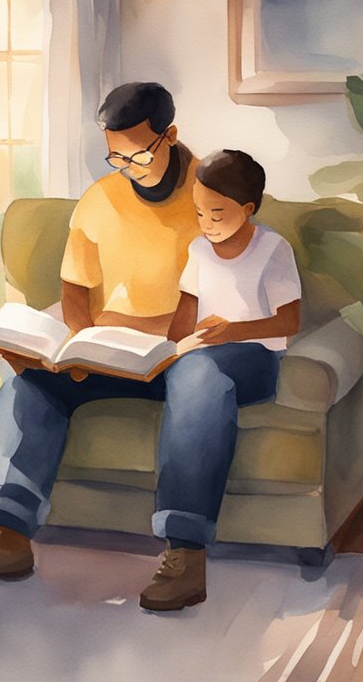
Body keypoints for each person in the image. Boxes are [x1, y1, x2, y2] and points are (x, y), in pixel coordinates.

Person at [0, 82, 296, 611]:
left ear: (170, 137)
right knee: (28, 379)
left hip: (198, 349)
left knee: (199, 375)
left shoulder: (212, 192)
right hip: (122, 353)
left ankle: (184, 551)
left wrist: (156, 330)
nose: (126, 166)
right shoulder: (100, 200)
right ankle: (8, 535)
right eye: (114, 154)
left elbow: (233, 298)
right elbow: (75, 291)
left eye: (137, 152)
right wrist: (79, 343)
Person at [142, 148, 301, 610]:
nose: (206, 223)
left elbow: (288, 322)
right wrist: (156, 350)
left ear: (247, 210)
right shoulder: (197, 250)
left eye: (217, 213)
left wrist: (232, 332)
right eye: (198, 212)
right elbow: (183, 319)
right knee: (183, 366)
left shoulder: (272, 249)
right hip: (202, 353)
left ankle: (185, 549)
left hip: (253, 358)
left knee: (197, 375)